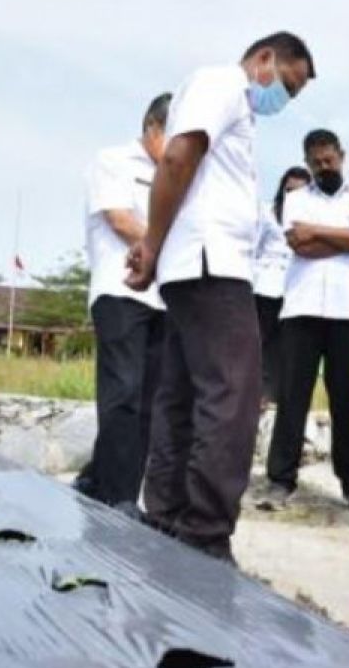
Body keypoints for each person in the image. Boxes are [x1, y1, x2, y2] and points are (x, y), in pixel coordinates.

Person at [125, 31, 316, 563]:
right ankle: (205, 532)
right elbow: (177, 158)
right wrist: (152, 243)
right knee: (233, 395)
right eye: (288, 84)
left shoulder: (238, 109)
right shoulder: (221, 83)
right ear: (263, 59)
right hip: (210, 263)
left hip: (198, 263)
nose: (285, 98)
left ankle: (165, 516)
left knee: (184, 393)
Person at [260, 129, 349, 511]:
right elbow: (301, 246)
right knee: (292, 398)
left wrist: (319, 231)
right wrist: (346, 239)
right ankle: (280, 481)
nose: (323, 167)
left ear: (342, 156)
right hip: (301, 309)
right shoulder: (295, 199)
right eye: (315, 162)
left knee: (345, 401)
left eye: (328, 160)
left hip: (347, 312)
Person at [74, 92, 171, 509]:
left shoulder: (177, 178)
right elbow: (120, 219)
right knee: (123, 393)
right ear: (152, 127)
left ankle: (98, 479)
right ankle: (119, 499)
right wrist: (166, 245)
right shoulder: (113, 161)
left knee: (148, 401)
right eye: (174, 134)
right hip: (120, 292)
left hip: (162, 299)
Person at [254, 166, 312, 408]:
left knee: (287, 345)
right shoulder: (267, 212)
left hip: (295, 288)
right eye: (288, 190)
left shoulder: (313, 219)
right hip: (265, 285)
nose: (292, 197)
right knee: (260, 341)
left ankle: (280, 394)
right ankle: (258, 393)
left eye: (299, 192)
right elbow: (254, 247)